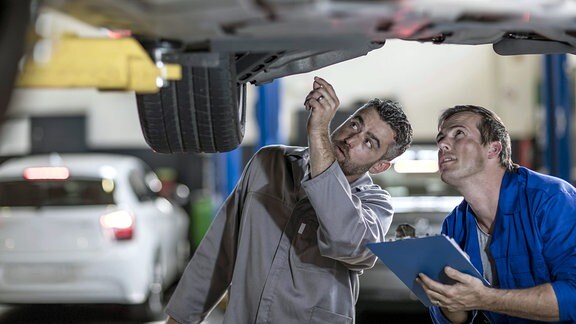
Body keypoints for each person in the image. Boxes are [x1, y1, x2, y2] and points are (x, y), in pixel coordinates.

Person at [164, 76, 413, 324]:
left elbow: (345, 240)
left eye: (369, 142)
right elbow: (219, 252)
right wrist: (179, 319)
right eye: (355, 125)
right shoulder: (269, 163)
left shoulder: (374, 205)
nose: (351, 139)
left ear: (380, 166)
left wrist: (318, 134)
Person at [417, 105, 576, 323]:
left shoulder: (550, 200)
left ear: (493, 149)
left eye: (459, 134)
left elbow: (573, 298)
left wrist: (485, 298)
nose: (443, 144)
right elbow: (457, 318)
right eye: (441, 138)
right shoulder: (455, 225)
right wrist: (444, 294)